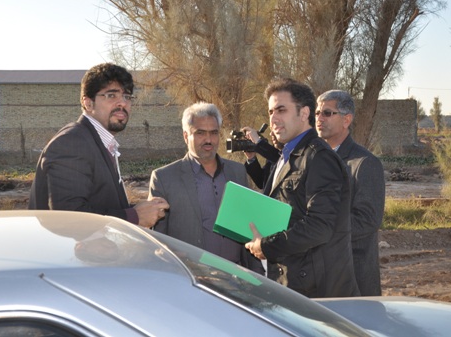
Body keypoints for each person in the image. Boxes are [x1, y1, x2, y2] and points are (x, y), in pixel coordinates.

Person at [245, 78, 358, 297]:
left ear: (304, 113)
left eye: (281, 110)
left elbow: (319, 226)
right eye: (271, 112)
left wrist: (267, 246)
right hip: (291, 281)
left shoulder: (319, 158)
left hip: (316, 292)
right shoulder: (286, 155)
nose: (274, 118)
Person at [29, 63, 168, 228]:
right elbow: (68, 217)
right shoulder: (72, 143)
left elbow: (99, 206)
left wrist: (142, 210)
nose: (122, 103)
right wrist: (134, 216)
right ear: (88, 103)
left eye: (127, 96)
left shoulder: (98, 141)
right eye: (111, 95)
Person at [148, 102, 264, 273]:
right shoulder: (164, 178)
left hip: (238, 276)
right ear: (186, 136)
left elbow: (249, 226)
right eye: (200, 133)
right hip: (191, 278)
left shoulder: (238, 172)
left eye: (214, 133)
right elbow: (158, 241)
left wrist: (257, 274)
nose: (208, 140)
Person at [316, 89, 385, 296]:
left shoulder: (365, 163)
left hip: (353, 280)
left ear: (346, 120)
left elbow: (367, 221)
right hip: (318, 277)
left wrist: (318, 231)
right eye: (317, 113)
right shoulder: (314, 160)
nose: (319, 118)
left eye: (327, 113)